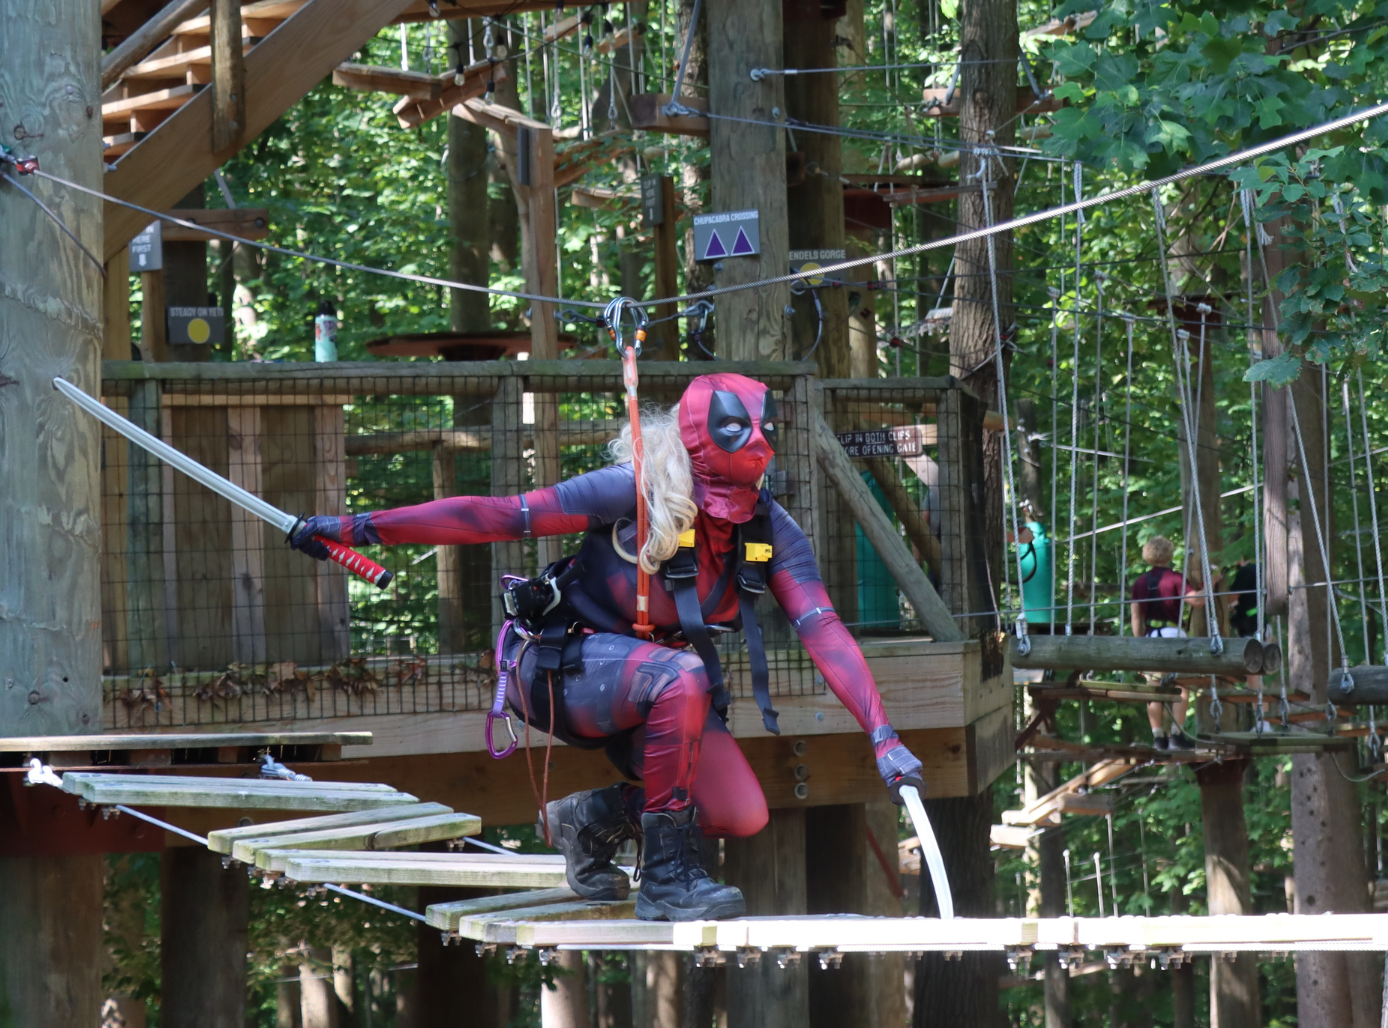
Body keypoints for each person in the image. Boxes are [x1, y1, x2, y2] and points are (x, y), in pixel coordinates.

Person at [287, 375, 925, 920]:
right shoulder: (634, 492)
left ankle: (589, 820)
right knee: (679, 675)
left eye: (763, 434)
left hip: (664, 691)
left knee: (740, 813)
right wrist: (356, 528)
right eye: (737, 435)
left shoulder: (769, 529)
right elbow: (499, 514)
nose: (756, 450)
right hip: (563, 671)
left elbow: (824, 630)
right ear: (702, 443)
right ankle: (669, 883)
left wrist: (882, 733)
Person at [1130, 535, 1200, 749]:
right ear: (1169, 554)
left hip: (1151, 638)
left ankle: (1158, 737)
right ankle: (1176, 736)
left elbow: (1136, 616)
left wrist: (1138, 642)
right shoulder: (1175, 579)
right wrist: (1210, 584)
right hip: (1173, 635)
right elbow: (1196, 601)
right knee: (1182, 686)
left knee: (1153, 687)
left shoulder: (1140, 583)